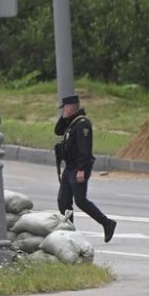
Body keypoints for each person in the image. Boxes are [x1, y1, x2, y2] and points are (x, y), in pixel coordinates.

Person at [54, 95, 117, 242]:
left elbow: (85, 149)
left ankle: (107, 223)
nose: (63, 110)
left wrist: (82, 169)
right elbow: (57, 131)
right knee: (63, 201)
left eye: (65, 108)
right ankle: (70, 231)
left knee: (80, 200)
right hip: (69, 167)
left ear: (70, 107)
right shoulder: (71, 122)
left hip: (78, 168)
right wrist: (64, 117)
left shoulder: (83, 124)